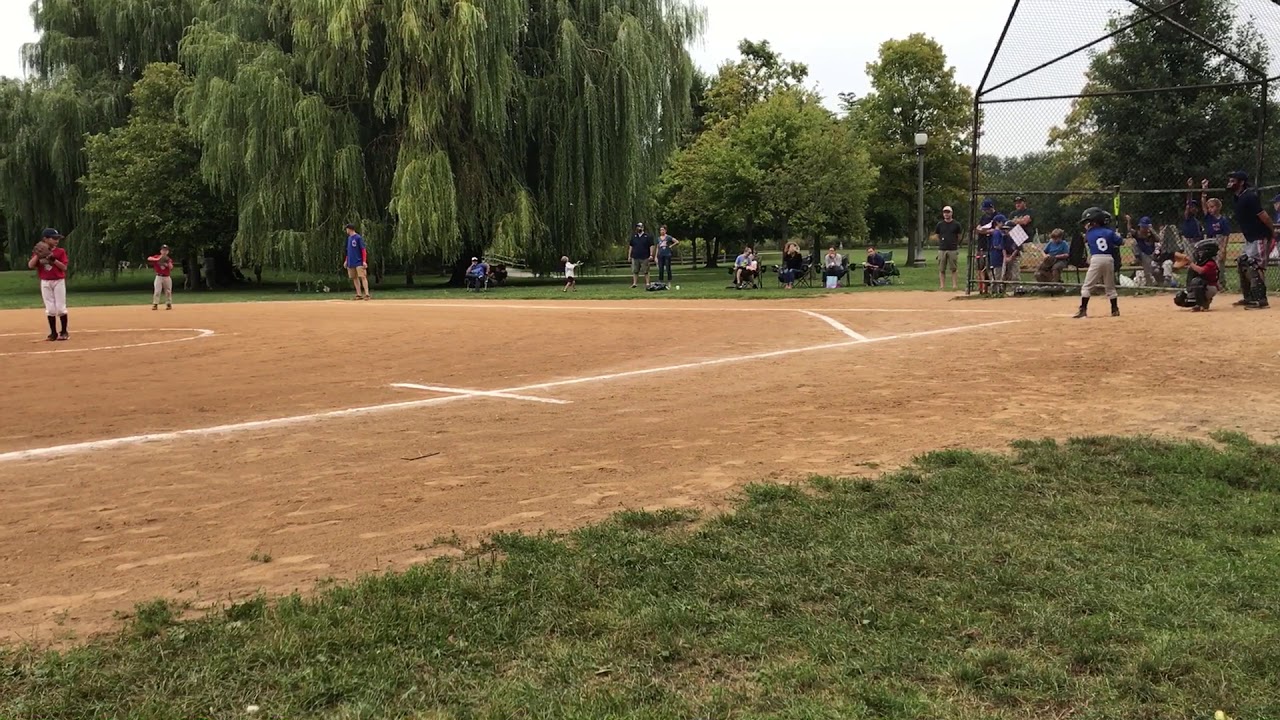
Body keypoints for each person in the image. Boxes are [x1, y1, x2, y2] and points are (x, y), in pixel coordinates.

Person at [1225, 170, 1275, 309]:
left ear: (1241, 183)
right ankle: (1249, 297)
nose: (1230, 183)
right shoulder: (1238, 197)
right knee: (1243, 263)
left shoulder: (1249, 197)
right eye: (1229, 180)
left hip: (1259, 236)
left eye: (1233, 181)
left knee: (1255, 266)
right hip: (1250, 238)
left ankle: (1261, 299)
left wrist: (1271, 232)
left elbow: (1263, 216)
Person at [1073, 207, 1122, 319]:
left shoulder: (1089, 233)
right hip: (1109, 259)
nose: (1087, 225)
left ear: (1094, 222)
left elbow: (1089, 239)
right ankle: (1114, 309)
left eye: (1088, 222)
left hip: (1096, 259)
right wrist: (1117, 236)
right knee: (1110, 286)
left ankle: (1083, 309)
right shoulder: (1109, 232)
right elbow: (1120, 242)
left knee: (1087, 286)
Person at [28, 228, 70, 341]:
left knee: (61, 308)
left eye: (57, 239)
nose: (56, 240)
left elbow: (64, 267)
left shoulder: (60, 251)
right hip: (45, 281)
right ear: (45, 239)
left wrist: (53, 259)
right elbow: (31, 265)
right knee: (50, 309)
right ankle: (53, 333)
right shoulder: (39, 252)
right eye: (54, 238)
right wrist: (37, 255)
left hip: (58, 281)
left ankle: (64, 332)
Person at [1174, 239, 1220, 312]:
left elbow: (1201, 271)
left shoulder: (1210, 263)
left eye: (1201, 252)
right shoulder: (1202, 262)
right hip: (1203, 287)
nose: (1199, 254)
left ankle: (1202, 304)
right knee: (1180, 299)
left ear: (1207, 252)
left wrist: (1190, 262)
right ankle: (1202, 301)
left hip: (1210, 288)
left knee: (1197, 281)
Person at [1124, 215, 1160, 286]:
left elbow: (1158, 239)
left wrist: (1152, 230)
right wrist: (1129, 221)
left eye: (1144, 227)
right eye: (1141, 226)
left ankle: (1153, 282)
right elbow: (1129, 230)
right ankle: (1149, 283)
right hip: (1142, 255)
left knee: (1155, 269)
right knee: (1134, 243)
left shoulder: (1151, 235)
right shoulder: (1138, 234)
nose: (1142, 228)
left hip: (1151, 256)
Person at [936, 205, 962, 290]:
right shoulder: (940, 224)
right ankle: (942, 285)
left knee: (953, 268)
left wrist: (955, 243)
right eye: (945, 212)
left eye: (948, 212)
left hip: (952, 249)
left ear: (951, 213)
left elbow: (959, 236)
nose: (946, 214)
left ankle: (954, 285)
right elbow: (937, 235)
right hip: (942, 249)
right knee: (941, 268)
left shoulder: (956, 224)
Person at [343, 224, 371, 300]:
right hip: (351, 261)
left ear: (350, 229)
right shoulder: (349, 238)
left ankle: (367, 294)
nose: (346, 230)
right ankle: (359, 294)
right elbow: (348, 251)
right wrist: (346, 260)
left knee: (362, 276)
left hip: (359, 261)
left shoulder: (358, 238)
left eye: (347, 229)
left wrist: (364, 261)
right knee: (354, 277)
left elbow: (363, 250)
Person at [147, 244, 175, 310]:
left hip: (167, 277)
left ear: (168, 252)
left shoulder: (168, 259)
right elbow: (149, 258)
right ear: (161, 251)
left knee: (168, 291)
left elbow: (171, 267)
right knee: (157, 291)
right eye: (163, 250)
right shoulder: (157, 257)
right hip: (159, 276)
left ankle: (168, 304)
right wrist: (158, 259)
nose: (164, 252)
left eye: (166, 250)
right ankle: (155, 304)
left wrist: (167, 264)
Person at [628, 222, 654, 288]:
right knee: (635, 271)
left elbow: (651, 246)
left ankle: (647, 283)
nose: (638, 228)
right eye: (637, 227)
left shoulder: (647, 236)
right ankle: (634, 283)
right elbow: (631, 246)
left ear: (643, 228)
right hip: (635, 256)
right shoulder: (634, 236)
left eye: (640, 227)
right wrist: (629, 256)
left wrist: (651, 255)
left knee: (646, 271)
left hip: (645, 256)